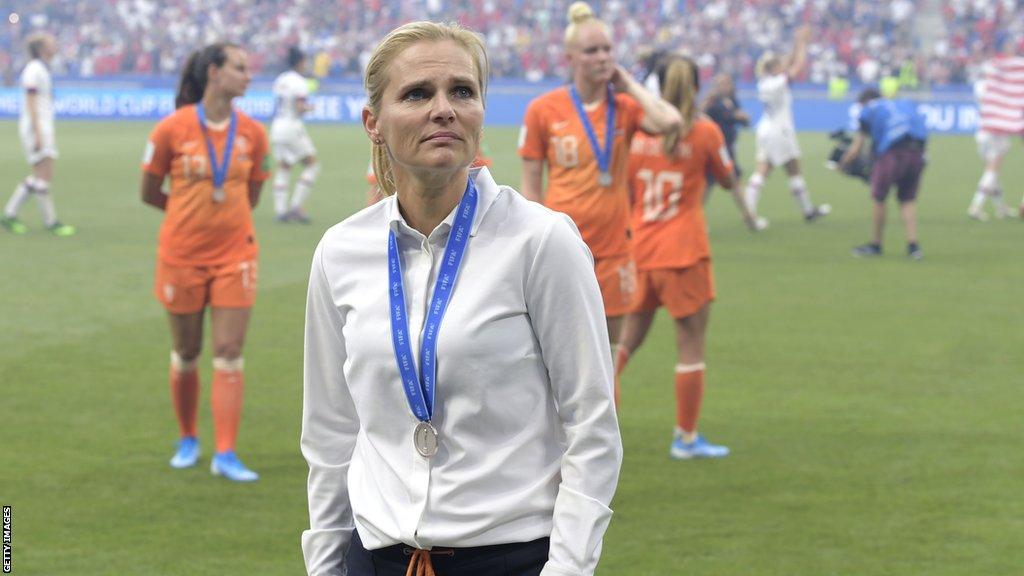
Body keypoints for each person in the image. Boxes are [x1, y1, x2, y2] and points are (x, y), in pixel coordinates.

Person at [301, 21, 622, 576]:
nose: (444, 108)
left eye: (462, 91)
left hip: (511, 559)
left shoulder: (542, 241)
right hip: (374, 558)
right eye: (418, 94)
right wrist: (327, 566)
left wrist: (568, 569)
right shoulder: (341, 251)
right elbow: (331, 432)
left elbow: (591, 424)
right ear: (373, 123)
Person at [518, 1, 682, 368]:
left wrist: (629, 85)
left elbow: (670, 122)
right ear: (570, 57)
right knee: (556, 355)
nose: (602, 57)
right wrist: (532, 243)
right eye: (592, 50)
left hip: (613, 252)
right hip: (563, 247)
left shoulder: (625, 106)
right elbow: (531, 185)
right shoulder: (544, 110)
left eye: (608, 49)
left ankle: (605, 428)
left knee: (606, 360)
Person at [140, 42, 270, 482]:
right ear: (214, 72)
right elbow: (149, 191)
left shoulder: (253, 132)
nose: (248, 75)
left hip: (236, 255)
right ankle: (188, 437)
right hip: (181, 256)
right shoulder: (170, 129)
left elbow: (252, 194)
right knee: (187, 350)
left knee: (230, 352)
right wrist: (185, 219)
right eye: (240, 67)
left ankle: (226, 452)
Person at [616, 56, 757, 460]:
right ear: (696, 86)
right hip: (683, 252)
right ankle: (686, 437)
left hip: (639, 249)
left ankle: (582, 425)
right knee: (691, 346)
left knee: (621, 347)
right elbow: (729, 178)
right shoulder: (705, 131)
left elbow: (626, 192)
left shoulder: (638, 131)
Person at [744, 25, 830, 225]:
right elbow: (797, 65)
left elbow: (788, 61)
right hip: (780, 131)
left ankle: (806, 210)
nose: (781, 65)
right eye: (777, 64)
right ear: (771, 68)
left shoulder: (764, 82)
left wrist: (796, 41)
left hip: (765, 129)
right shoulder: (777, 83)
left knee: (773, 169)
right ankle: (751, 211)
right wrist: (802, 43)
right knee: (781, 170)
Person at [1, 32, 75, 237]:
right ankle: (50, 222)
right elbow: (31, 102)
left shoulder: (41, 68)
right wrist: (38, 132)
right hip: (37, 127)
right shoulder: (34, 69)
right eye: (51, 43)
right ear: (42, 48)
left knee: (41, 176)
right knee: (44, 175)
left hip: (41, 126)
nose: (55, 45)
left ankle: (10, 214)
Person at [840, 88, 926, 260]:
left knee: (879, 197)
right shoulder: (904, 103)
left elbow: (857, 146)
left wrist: (843, 162)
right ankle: (913, 246)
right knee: (907, 199)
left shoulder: (869, 108)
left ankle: (876, 244)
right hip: (917, 153)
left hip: (893, 154)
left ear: (865, 101)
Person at [967, 56, 1022, 221]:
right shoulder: (995, 87)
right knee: (992, 170)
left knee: (993, 173)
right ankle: (976, 206)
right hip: (996, 132)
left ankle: (1001, 208)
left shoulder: (980, 85)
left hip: (982, 131)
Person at [271, 46, 319, 223]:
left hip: (277, 126)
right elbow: (300, 107)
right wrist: (310, 107)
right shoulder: (299, 82)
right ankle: (296, 207)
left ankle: (280, 209)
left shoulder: (280, 80)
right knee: (312, 164)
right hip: (292, 126)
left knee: (284, 166)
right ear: (300, 61)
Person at [701, 73, 750, 203]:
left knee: (734, 181)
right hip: (714, 148)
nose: (724, 87)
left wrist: (743, 118)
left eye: (726, 83)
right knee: (709, 183)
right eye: (721, 84)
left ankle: (749, 216)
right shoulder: (712, 102)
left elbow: (744, 121)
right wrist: (737, 116)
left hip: (727, 147)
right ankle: (749, 216)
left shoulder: (732, 101)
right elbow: (701, 115)